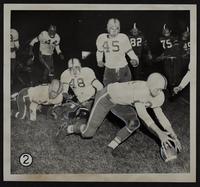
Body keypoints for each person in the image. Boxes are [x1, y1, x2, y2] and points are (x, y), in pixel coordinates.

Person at [62, 73, 182, 153]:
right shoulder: (141, 90)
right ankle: (72, 128)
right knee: (88, 133)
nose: (159, 91)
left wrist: (173, 135)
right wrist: (160, 133)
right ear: (150, 85)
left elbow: (160, 115)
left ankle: (112, 145)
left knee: (134, 123)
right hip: (107, 98)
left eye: (161, 89)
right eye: (157, 88)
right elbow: (143, 114)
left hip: (121, 103)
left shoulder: (158, 95)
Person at [96, 18, 139, 86]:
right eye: (112, 28)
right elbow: (99, 51)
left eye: (117, 28)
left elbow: (130, 51)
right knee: (109, 91)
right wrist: (99, 60)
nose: (114, 30)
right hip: (109, 69)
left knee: (126, 90)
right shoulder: (101, 38)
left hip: (123, 68)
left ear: (119, 29)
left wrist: (135, 60)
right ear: (107, 28)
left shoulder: (123, 37)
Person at [156, 24, 182, 99]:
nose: (165, 32)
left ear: (170, 31)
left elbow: (176, 48)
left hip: (174, 59)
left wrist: (165, 54)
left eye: (167, 30)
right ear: (162, 32)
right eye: (164, 31)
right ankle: (172, 92)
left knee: (175, 76)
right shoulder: (160, 39)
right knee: (169, 76)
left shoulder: (174, 38)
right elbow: (159, 50)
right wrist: (161, 56)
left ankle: (175, 91)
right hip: (166, 60)